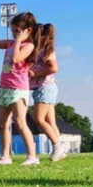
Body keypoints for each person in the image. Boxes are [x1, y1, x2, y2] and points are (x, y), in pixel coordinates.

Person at [0, 12, 40, 166]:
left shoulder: (29, 46)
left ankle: (32, 156)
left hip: (18, 89)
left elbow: (15, 59)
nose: (14, 35)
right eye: (13, 31)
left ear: (28, 31)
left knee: (20, 122)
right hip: (4, 88)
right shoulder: (10, 44)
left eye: (17, 31)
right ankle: (5, 156)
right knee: (2, 124)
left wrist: (19, 40)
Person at [29, 23, 67, 162]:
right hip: (46, 87)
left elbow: (53, 68)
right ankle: (58, 148)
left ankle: (57, 146)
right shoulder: (43, 50)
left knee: (38, 119)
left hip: (45, 87)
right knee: (50, 121)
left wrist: (34, 73)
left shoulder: (45, 51)